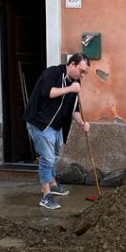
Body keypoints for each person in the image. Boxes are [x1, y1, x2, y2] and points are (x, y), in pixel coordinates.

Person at [24, 53, 92, 209]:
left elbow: (74, 108)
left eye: (85, 73)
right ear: (72, 65)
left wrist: (82, 123)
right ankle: (46, 195)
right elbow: (47, 93)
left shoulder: (76, 82)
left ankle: (53, 184)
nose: (82, 75)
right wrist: (70, 89)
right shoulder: (52, 73)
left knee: (54, 155)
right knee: (47, 158)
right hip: (40, 122)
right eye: (82, 71)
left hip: (56, 125)